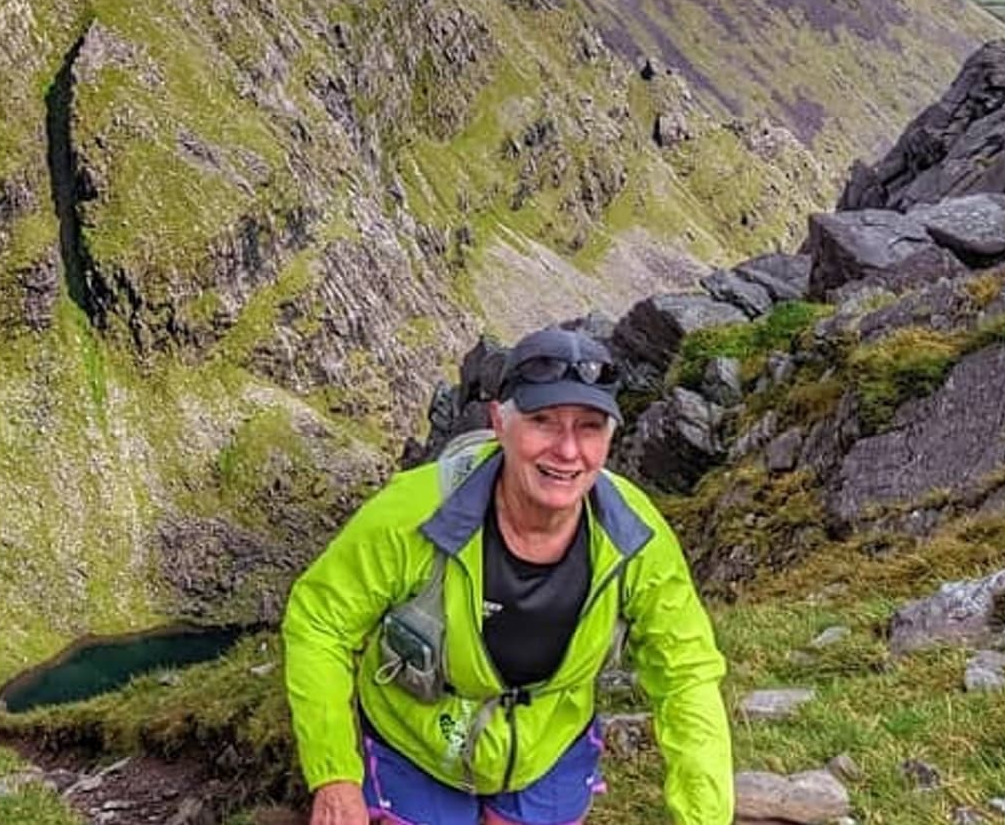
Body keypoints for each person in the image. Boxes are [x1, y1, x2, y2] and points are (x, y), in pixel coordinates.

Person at [282, 326, 733, 824]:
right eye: (542, 421)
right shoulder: (413, 515)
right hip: (414, 740)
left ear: (610, 437)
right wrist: (334, 774)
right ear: (500, 422)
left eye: (589, 426)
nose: (567, 451)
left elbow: (687, 672)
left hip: (547, 742)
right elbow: (320, 625)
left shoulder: (635, 538)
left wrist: (705, 815)